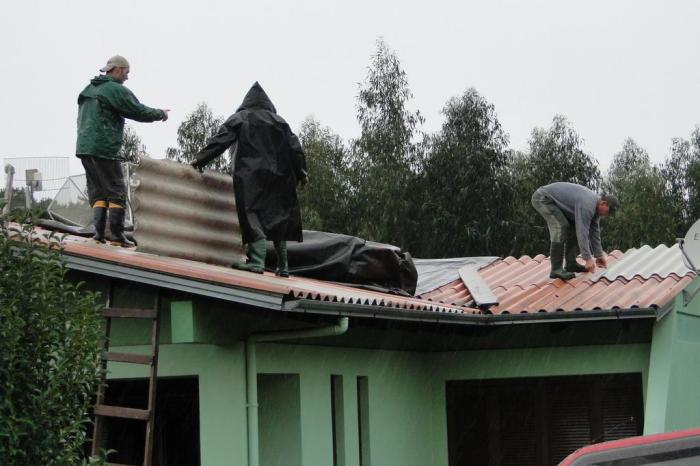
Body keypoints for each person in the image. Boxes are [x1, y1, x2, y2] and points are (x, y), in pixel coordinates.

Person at [191, 82, 307, 277]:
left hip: (250, 174)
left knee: (251, 214)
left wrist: (200, 159)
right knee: (279, 216)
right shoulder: (281, 122)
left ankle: (256, 263)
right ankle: (284, 266)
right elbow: (295, 148)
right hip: (280, 176)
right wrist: (302, 172)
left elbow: (221, 139)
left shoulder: (241, 117)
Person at [76, 55, 169, 247]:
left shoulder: (89, 89)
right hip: (104, 148)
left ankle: (99, 234)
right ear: (117, 70)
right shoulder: (114, 90)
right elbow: (137, 110)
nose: (127, 77)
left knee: (99, 192)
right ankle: (117, 236)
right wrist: (160, 114)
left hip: (85, 147)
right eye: (126, 72)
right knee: (116, 191)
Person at [531, 182, 619, 280]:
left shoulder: (595, 209)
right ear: (603, 203)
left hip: (554, 201)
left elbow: (594, 232)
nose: (607, 215)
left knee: (573, 227)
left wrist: (598, 255)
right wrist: (588, 258)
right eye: (608, 212)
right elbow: (583, 232)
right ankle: (556, 269)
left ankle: (571, 264)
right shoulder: (588, 205)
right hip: (543, 198)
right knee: (561, 226)